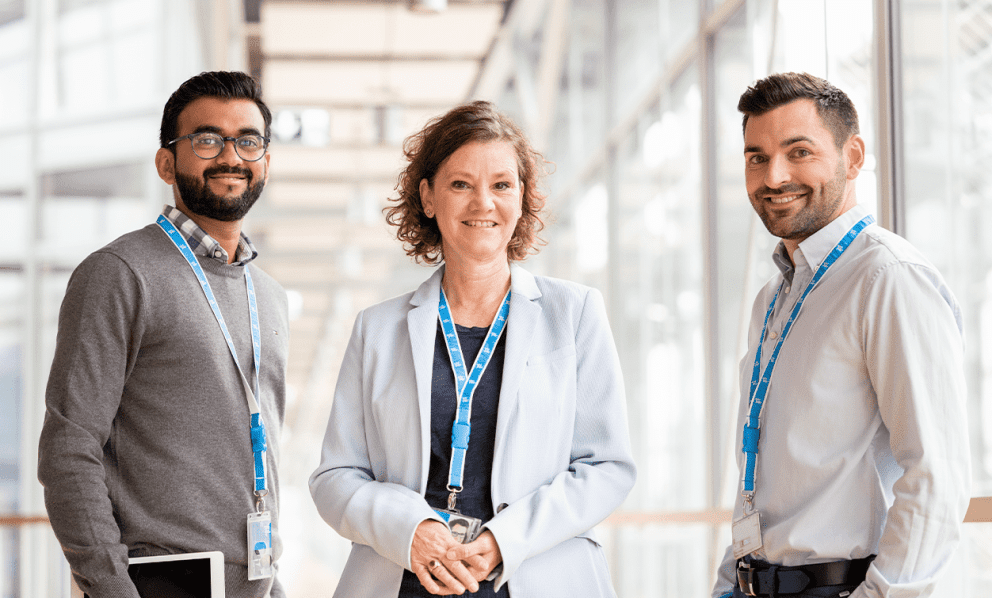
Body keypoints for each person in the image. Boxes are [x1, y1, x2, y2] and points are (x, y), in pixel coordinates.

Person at [309, 101, 636, 597]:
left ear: (522, 197)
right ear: (428, 197)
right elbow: (335, 477)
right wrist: (410, 529)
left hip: (534, 574)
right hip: (405, 579)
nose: (483, 202)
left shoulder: (574, 314)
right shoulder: (377, 329)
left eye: (501, 185)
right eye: (461, 184)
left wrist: (505, 539)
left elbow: (606, 467)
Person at [712, 72, 971, 598]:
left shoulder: (888, 278)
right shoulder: (774, 296)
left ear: (852, 157)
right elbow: (765, 480)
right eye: (756, 157)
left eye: (798, 151)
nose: (774, 176)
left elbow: (935, 478)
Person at [38, 71, 288, 598]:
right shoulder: (118, 273)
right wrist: (112, 589)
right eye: (206, 138)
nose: (230, 156)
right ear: (166, 162)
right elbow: (69, 448)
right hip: (161, 584)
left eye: (248, 140)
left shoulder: (267, 294)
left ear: (265, 160)